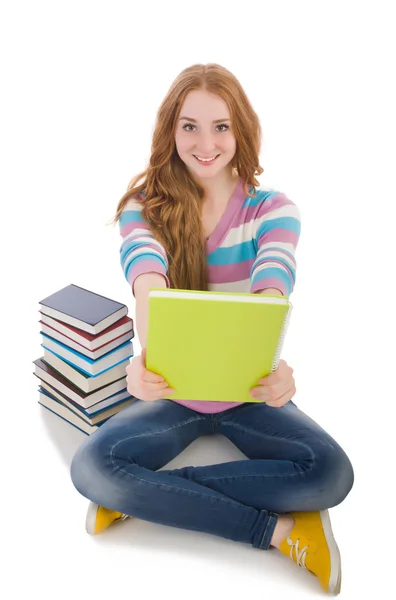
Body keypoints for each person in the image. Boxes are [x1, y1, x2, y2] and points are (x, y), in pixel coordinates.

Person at [70, 63, 354, 596]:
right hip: (172, 392)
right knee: (91, 466)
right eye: (189, 126)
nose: (205, 143)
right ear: (170, 132)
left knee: (332, 474)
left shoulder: (274, 211)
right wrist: (144, 359)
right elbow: (147, 282)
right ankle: (278, 530)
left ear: (241, 130)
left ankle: (138, 495)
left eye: (221, 126)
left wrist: (276, 368)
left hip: (247, 391)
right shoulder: (144, 209)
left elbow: (273, 291)